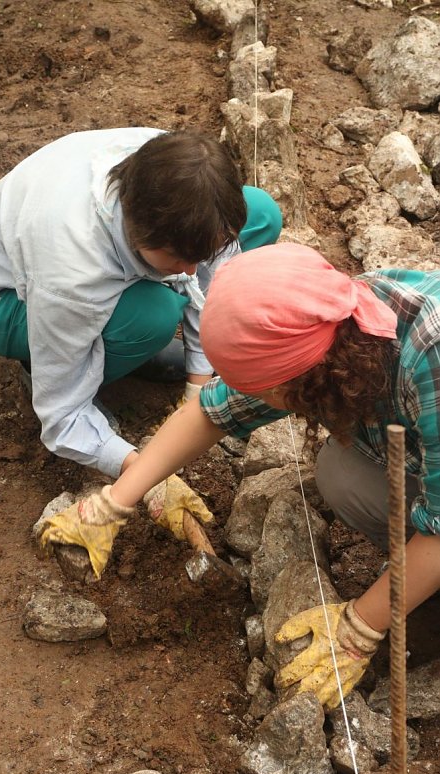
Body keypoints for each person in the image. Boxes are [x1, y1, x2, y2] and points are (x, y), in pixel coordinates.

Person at [72, 241, 440, 710]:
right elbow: (210, 412)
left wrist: (361, 626)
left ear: (298, 377)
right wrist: (114, 501)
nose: (248, 397)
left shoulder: (429, 356)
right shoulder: (327, 322)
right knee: (340, 473)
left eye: (257, 390)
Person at [0, 127, 282, 478]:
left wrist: (198, 382)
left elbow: (204, 272)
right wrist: (144, 471)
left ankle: (118, 345)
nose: (191, 271)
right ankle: (40, 363)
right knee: (153, 315)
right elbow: (61, 416)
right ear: (139, 230)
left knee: (262, 214)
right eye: (178, 258)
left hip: (61, 268)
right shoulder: (73, 272)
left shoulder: (172, 167)